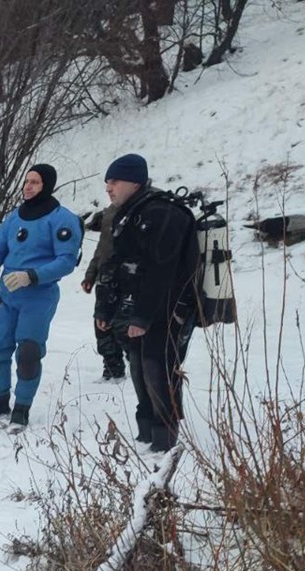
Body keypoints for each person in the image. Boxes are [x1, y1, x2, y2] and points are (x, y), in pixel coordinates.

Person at [102, 153, 200, 452]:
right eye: (107, 182)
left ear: (134, 181)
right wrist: (105, 307)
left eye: (114, 181)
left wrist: (142, 316)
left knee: (158, 368)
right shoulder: (130, 213)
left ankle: (165, 439)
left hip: (168, 309)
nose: (108, 188)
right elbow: (117, 264)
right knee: (138, 368)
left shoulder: (163, 214)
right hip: (137, 307)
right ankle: (146, 433)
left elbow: (162, 270)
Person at [0, 164, 82, 432]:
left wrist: (32, 276)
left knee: (28, 352)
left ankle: (21, 408)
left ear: (46, 185)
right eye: (26, 181)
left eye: (34, 182)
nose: (28, 186)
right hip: (6, 293)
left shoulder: (62, 219)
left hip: (38, 294)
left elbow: (66, 261)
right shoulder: (15, 216)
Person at [80, 205, 126, 382]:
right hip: (104, 279)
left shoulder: (145, 207)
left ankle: (138, 365)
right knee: (102, 325)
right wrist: (91, 274)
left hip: (128, 279)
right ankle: (112, 369)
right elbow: (102, 247)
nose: (110, 189)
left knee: (124, 328)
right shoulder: (110, 212)